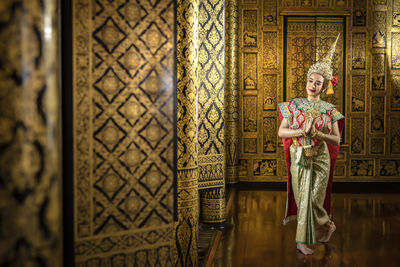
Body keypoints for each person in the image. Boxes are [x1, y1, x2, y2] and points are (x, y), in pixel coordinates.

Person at [278, 34, 345, 255]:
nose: (313, 85)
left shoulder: (330, 110)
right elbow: (281, 132)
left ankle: (320, 229)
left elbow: (336, 139)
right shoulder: (293, 105)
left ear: (325, 86)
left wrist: (318, 134)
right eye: (310, 81)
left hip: (320, 156)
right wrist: (300, 131)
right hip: (299, 153)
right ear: (306, 81)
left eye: (318, 83)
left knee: (315, 199)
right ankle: (311, 236)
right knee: (302, 197)